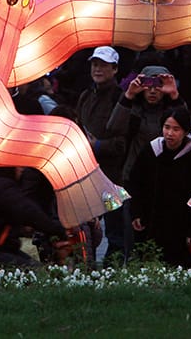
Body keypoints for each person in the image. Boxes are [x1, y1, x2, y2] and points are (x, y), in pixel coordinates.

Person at [126, 107, 191, 267]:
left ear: (186, 131)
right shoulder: (151, 151)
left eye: (176, 129)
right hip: (152, 221)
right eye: (167, 127)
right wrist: (136, 212)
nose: (170, 133)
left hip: (182, 225)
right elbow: (136, 182)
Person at [0, 164, 69, 268]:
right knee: (39, 274)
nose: (21, 169)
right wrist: (60, 231)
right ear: (6, 166)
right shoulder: (1, 186)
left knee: (36, 268)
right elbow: (29, 213)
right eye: (17, 166)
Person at [75, 46, 125, 264]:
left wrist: (96, 145)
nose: (98, 69)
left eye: (103, 65)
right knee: (86, 227)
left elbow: (124, 142)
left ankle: (111, 271)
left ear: (114, 69)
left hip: (113, 176)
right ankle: (86, 269)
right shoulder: (85, 96)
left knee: (115, 230)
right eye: (95, 64)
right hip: (87, 173)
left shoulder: (120, 98)